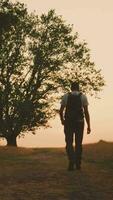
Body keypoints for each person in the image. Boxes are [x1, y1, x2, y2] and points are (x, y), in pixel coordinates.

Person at [59, 81, 91, 171]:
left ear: (71, 88)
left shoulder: (66, 96)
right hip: (79, 122)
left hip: (68, 123)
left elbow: (61, 111)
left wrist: (62, 120)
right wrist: (89, 125)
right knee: (78, 143)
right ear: (78, 88)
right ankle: (78, 163)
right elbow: (86, 112)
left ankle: (71, 161)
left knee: (69, 143)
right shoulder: (83, 96)